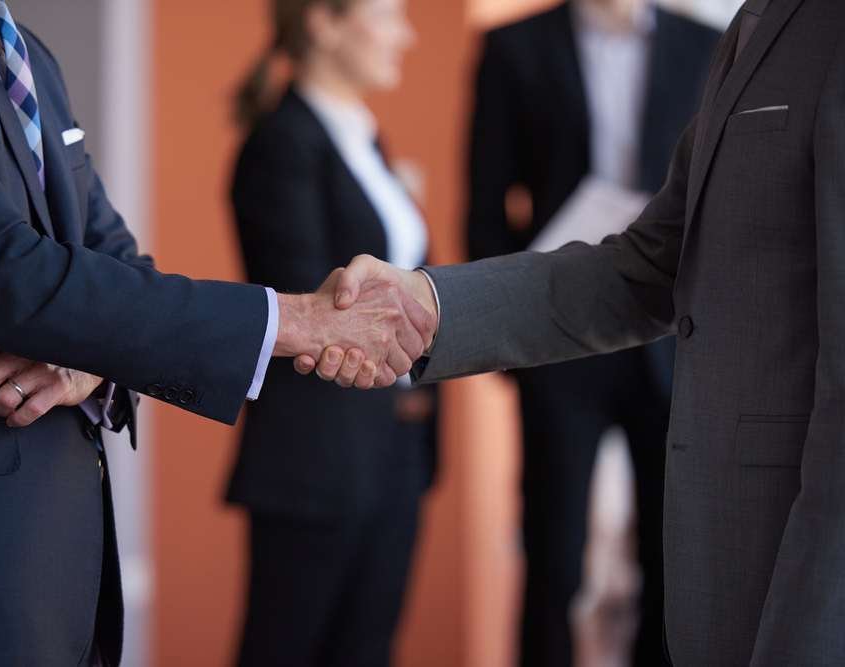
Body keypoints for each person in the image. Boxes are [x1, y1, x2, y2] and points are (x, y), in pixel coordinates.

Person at [0, 0, 433, 664]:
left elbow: (119, 263)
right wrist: (296, 320)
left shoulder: (27, 52)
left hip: (57, 558)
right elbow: (1, 270)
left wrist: (86, 360)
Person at [304, 0, 845, 664]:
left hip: (794, 578)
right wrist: (430, 302)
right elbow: (652, 262)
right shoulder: (750, 24)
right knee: (552, 560)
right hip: (587, 392)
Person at [465, 1, 718, 663]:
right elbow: (484, 206)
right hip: (557, 344)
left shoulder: (708, 44)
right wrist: (509, 342)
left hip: (669, 343)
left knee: (672, 559)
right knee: (552, 556)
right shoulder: (514, 48)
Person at [226, 2, 436, 665]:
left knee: (367, 649)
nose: (407, 34)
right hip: (317, 455)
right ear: (324, 21)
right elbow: (311, 306)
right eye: (388, 13)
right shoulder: (281, 143)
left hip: (392, 446)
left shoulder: (364, 139)